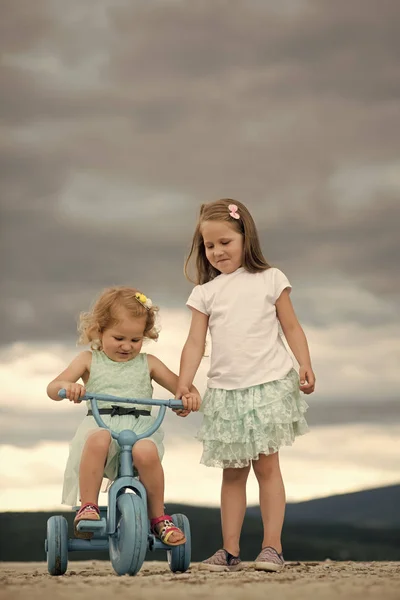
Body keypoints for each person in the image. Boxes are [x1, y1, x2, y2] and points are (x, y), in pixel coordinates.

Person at [176, 199, 315, 571]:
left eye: (225, 242)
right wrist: (184, 383)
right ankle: (230, 550)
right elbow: (194, 343)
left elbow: (291, 326)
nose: (218, 251)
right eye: (209, 246)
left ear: (245, 237)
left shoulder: (271, 278)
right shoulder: (205, 293)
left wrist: (305, 363)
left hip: (268, 385)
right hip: (225, 392)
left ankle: (272, 547)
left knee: (267, 468)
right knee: (233, 473)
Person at [47, 286, 200, 545]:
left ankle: (158, 517)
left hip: (140, 429)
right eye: (119, 338)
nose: (127, 346)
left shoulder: (148, 363)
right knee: (98, 439)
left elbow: (182, 387)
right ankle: (89, 506)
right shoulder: (88, 360)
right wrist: (68, 388)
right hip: (100, 425)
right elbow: (53, 388)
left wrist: (189, 397)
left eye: (135, 340)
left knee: (146, 451)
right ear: (99, 331)